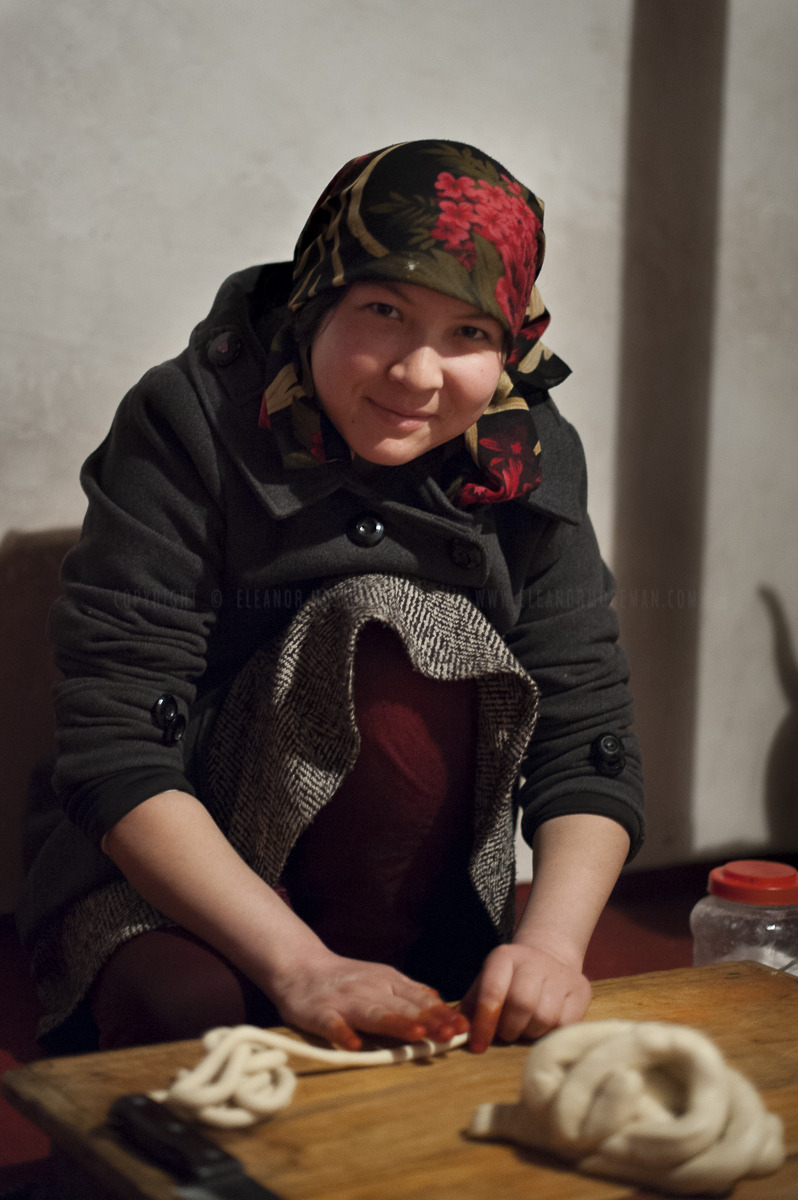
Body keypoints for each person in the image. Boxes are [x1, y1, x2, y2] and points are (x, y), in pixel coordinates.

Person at [18, 139, 644, 1056]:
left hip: (408, 886)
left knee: (413, 630)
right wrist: (299, 966)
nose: (418, 375)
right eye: (384, 311)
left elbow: (586, 726)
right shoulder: (188, 420)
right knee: (195, 1022)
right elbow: (115, 744)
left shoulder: (529, 451)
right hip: (183, 864)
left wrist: (548, 946)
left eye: (469, 334)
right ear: (317, 298)